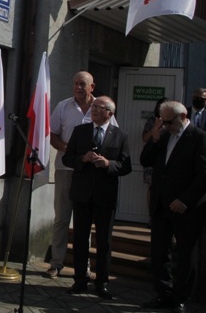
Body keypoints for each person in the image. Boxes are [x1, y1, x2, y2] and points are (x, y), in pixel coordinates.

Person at [140, 101, 206, 313]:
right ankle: (163, 293)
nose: (165, 125)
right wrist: (154, 138)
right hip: (161, 206)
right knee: (159, 253)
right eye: (161, 121)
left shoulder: (200, 138)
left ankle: (180, 297)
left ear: (182, 116)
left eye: (169, 121)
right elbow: (145, 160)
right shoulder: (163, 136)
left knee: (185, 254)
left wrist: (185, 200)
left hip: (186, 208)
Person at [46, 71, 117, 278]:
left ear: (91, 87)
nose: (78, 87)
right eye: (75, 83)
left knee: (82, 221)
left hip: (90, 174)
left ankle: (82, 266)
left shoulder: (102, 106)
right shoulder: (63, 106)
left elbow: (113, 137)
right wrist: (72, 152)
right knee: (61, 218)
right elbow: (53, 134)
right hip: (66, 169)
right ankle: (56, 263)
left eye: (82, 84)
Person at [62, 96, 132, 299]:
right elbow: (67, 157)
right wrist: (82, 159)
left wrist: (109, 164)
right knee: (81, 238)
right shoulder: (80, 130)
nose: (93, 110)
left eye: (99, 108)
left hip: (105, 195)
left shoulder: (121, 135)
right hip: (82, 193)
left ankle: (101, 283)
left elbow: (126, 166)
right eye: (93, 107)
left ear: (109, 113)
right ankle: (80, 280)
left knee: (104, 241)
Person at [141, 97, 169, 206]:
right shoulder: (152, 120)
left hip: (166, 157)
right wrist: (155, 129)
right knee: (151, 188)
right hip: (152, 157)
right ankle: (151, 216)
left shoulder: (171, 121)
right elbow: (144, 138)